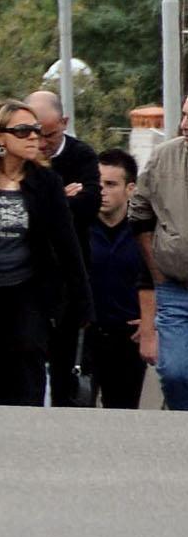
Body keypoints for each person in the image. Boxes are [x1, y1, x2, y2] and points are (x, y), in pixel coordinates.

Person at [0, 98, 89, 406]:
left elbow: (67, 245)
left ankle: (31, 428)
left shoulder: (47, 182)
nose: (33, 138)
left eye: (36, 131)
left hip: (31, 290)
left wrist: (82, 302)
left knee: (29, 357)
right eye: (23, 131)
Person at [25, 90, 99, 404]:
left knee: (63, 363)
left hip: (69, 273)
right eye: (34, 133)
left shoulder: (81, 156)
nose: (42, 143)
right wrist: (60, 200)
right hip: (28, 274)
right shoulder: (21, 157)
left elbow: (90, 204)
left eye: (50, 134)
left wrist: (53, 206)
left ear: (65, 123)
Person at [130, 96, 188, 408]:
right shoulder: (163, 157)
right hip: (176, 287)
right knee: (175, 371)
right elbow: (139, 216)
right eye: (183, 115)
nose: (184, 124)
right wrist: (157, 272)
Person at [85, 148, 150, 409]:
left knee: (122, 414)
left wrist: (150, 319)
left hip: (127, 339)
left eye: (111, 184)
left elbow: (158, 279)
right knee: (75, 409)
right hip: (86, 336)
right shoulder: (79, 227)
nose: (102, 190)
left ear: (130, 188)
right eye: (97, 183)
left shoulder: (143, 232)